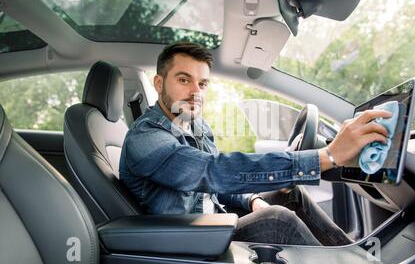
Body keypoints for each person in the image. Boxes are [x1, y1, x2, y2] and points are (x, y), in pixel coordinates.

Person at [119, 42, 391, 246]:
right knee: (277, 219)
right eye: (183, 80)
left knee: (291, 196)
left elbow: (214, 188)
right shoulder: (146, 137)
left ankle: (354, 256)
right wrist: (327, 155)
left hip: (212, 221)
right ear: (159, 83)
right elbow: (211, 172)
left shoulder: (196, 127)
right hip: (184, 239)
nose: (195, 92)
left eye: (202, 84)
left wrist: (251, 199)